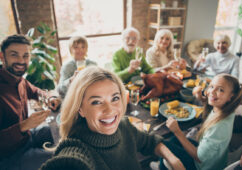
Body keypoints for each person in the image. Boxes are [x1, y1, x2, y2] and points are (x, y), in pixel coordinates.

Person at [40, 66, 185, 170]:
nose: (110, 110)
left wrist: (174, 159)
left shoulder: (124, 126)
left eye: (115, 98)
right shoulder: (76, 148)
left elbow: (150, 142)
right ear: (81, 109)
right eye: (96, 102)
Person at [153, 74, 242, 170]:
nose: (212, 91)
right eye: (212, 86)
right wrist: (202, 98)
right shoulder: (227, 110)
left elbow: (198, 157)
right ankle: (162, 163)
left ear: (231, 96)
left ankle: (162, 166)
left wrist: (177, 131)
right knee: (173, 140)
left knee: (163, 146)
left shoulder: (219, 127)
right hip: (215, 160)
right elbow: (211, 106)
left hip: (200, 166)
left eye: (220, 90)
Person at [0, 34, 61, 170]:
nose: (21, 61)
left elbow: (36, 91)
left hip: (28, 137)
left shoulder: (20, 80)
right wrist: (23, 126)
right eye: (14, 55)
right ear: (2, 57)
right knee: (63, 157)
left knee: (62, 129)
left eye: (25, 55)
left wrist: (49, 98)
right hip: (10, 157)